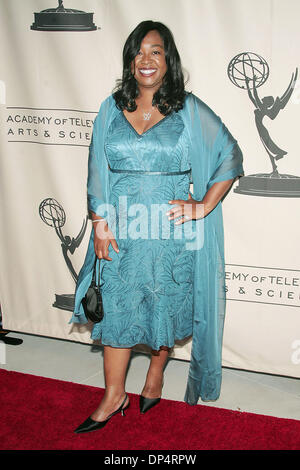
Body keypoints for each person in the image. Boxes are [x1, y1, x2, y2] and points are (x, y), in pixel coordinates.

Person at [69, 20, 244, 434]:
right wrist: (99, 221)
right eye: (138, 51)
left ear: (168, 61)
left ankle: (155, 376)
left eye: (156, 52)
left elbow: (229, 155)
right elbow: (96, 167)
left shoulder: (189, 108)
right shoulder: (111, 107)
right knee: (117, 313)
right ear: (130, 60)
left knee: (162, 308)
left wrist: (202, 206)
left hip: (169, 233)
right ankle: (114, 396)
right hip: (121, 229)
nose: (146, 59)